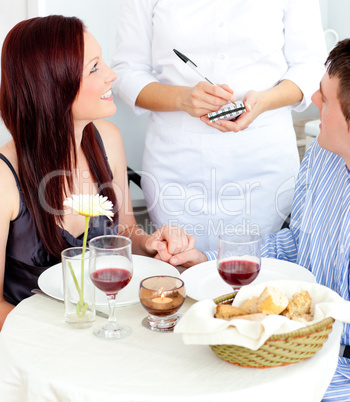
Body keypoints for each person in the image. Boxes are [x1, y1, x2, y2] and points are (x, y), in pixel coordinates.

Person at [168, 39, 350, 400]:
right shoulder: (322, 156)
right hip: (289, 351)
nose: (313, 100)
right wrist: (209, 261)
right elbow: (296, 245)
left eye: (326, 99)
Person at [0, 15, 194, 330]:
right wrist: (66, 333)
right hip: (36, 348)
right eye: (94, 67)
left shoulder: (107, 139)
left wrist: (152, 243)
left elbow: (124, 232)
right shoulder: (4, 177)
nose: (112, 75)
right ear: (52, 84)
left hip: (103, 328)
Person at [111, 0, 327, 251]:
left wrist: (264, 102)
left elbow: (311, 65)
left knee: (256, 267)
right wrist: (182, 98)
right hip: (177, 168)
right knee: (181, 264)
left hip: (263, 162)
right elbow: (127, 71)